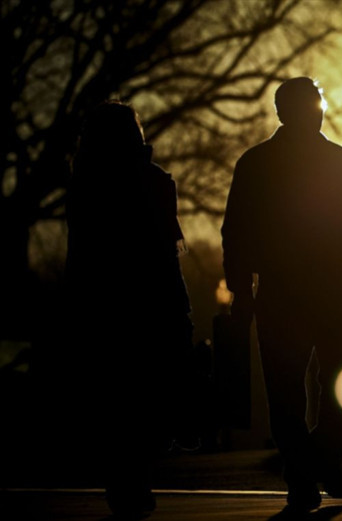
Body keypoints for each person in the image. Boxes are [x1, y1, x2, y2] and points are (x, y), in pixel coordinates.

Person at [221, 77, 342, 514]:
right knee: (308, 388)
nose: (316, 111)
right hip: (298, 289)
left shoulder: (264, 163)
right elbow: (236, 232)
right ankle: (313, 470)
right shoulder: (328, 162)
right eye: (311, 104)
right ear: (287, 112)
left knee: (320, 384)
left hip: (309, 288)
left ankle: (310, 468)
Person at [65, 100, 193, 517]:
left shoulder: (84, 183)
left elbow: (80, 254)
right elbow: (165, 252)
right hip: (150, 303)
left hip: (103, 304)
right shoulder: (156, 182)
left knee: (113, 399)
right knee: (145, 397)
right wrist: (180, 307)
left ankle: (125, 485)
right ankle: (134, 482)